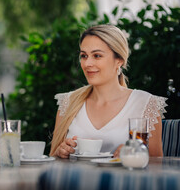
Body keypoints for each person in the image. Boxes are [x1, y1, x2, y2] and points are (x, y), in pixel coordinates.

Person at [50, 24, 167, 159]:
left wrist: (135, 154)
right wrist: (60, 153)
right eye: (84, 55)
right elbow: (51, 159)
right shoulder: (68, 102)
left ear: (119, 61)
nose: (87, 63)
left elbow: (157, 166)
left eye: (97, 55)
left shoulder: (145, 104)